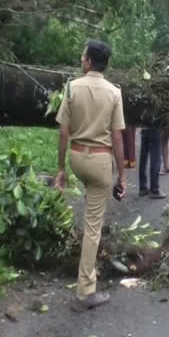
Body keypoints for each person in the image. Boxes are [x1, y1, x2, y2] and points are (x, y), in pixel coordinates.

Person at [55, 40, 126, 311]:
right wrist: (123, 176)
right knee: (93, 228)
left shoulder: (72, 87)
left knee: (89, 214)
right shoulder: (114, 93)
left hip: (76, 157)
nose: (81, 59)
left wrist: (61, 168)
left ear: (87, 62)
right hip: (99, 161)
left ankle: (86, 276)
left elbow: (63, 132)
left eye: (82, 56)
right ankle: (85, 291)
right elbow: (118, 138)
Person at [139, 127, 167, 199]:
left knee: (143, 157)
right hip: (155, 127)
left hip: (144, 127)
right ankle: (154, 190)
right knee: (156, 158)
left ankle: (142, 187)